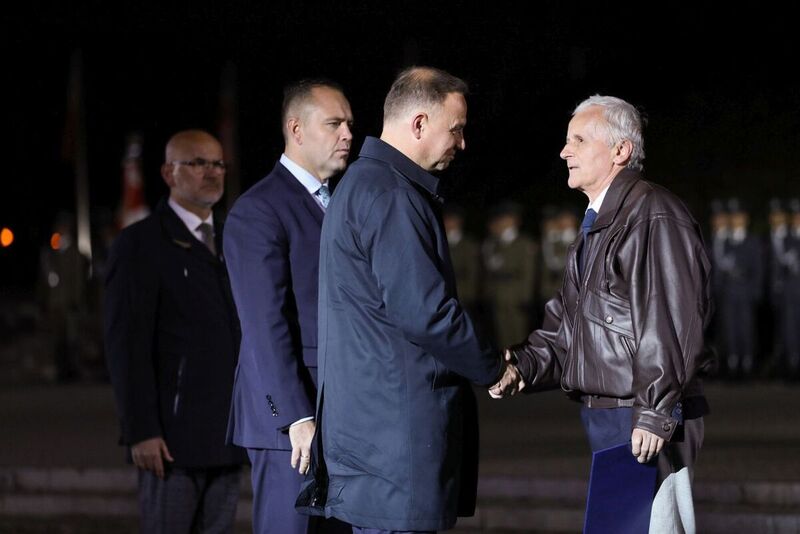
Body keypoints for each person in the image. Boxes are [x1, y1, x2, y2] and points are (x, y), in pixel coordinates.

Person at [302, 66, 520, 533]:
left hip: (371, 440)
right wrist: (494, 367)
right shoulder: (390, 194)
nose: (462, 143)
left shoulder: (361, 184)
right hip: (394, 446)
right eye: (456, 129)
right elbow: (427, 314)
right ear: (419, 123)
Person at [496, 95, 714, 533]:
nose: (564, 151)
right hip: (613, 416)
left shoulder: (653, 213)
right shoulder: (602, 221)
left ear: (621, 150)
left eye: (578, 139)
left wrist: (654, 411)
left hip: (641, 415)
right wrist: (522, 366)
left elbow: (670, 319)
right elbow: (568, 325)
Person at [223, 79, 354, 534]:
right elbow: (264, 324)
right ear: (296, 130)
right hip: (291, 425)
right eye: (334, 124)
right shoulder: (259, 209)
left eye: (350, 125)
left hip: (341, 413)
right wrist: (297, 416)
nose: (347, 136)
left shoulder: (340, 203)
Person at [104, 130, 246, 533]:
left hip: (228, 438)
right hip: (171, 443)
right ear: (168, 173)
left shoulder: (235, 241)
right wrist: (141, 430)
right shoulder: (141, 245)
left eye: (218, 163)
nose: (211, 172)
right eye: (197, 163)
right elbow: (126, 346)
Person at [482, 200, 538, 349]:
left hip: (516, 294)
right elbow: (490, 268)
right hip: (499, 294)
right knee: (502, 334)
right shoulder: (495, 243)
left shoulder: (524, 242)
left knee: (518, 333)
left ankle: (523, 366)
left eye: (507, 218)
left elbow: (528, 272)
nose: (503, 222)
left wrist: (526, 296)